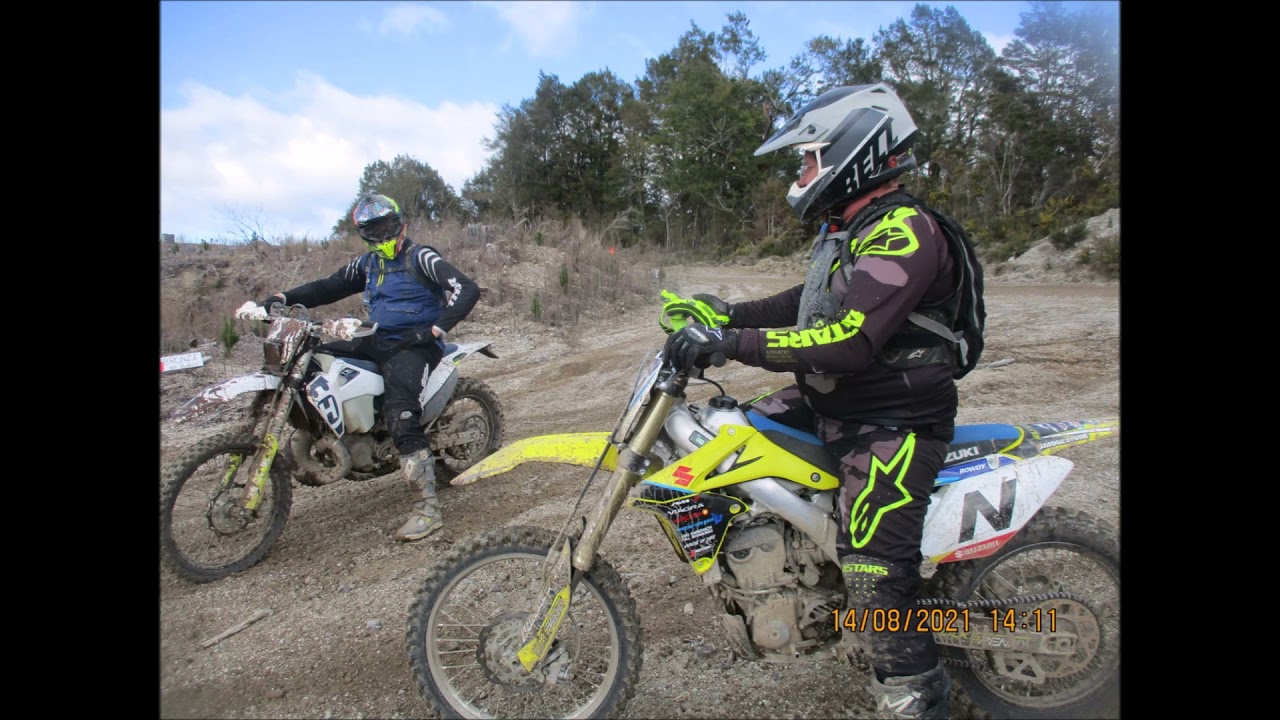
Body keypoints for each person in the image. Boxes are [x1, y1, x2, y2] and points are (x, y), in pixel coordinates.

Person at [664, 83, 969, 719]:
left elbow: (850, 340)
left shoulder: (904, 232)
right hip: (837, 404)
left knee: (876, 572)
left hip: (893, 418)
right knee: (731, 436)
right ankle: (791, 564)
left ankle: (915, 688)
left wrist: (732, 343)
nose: (801, 174)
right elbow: (805, 307)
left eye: (809, 159)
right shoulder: (849, 229)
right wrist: (726, 313)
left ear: (855, 152)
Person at [259, 193, 480, 542]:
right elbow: (328, 287)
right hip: (376, 337)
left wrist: (436, 329)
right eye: (374, 229)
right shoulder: (367, 264)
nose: (383, 234)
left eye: (387, 225)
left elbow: (467, 288)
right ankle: (334, 431)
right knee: (314, 358)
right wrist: (283, 298)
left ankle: (427, 509)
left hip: (414, 343)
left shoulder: (421, 257)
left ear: (400, 222)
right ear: (365, 233)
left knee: (401, 412)